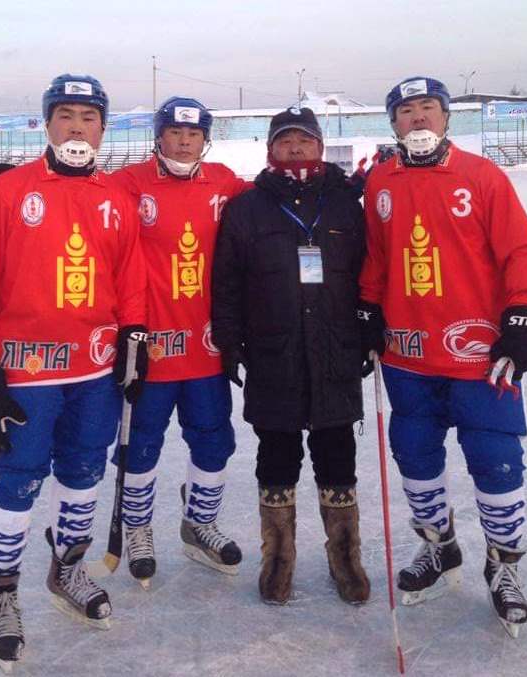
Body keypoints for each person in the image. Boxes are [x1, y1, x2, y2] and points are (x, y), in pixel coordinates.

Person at [0, 73, 148, 670]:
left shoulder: (115, 197)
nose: (76, 127)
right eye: (65, 115)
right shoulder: (11, 191)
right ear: (46, 123)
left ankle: (67, 568)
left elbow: (131, 277)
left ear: (102, 128)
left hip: (93, 367)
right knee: (17, 477)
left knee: (85, 471)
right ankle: (1, 593)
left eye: (88, 117)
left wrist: (135, 336)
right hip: (26, 370)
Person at [358, 75, 527, 637]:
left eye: (428, 109)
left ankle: (503, 564)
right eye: (406, 112)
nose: (418, 120)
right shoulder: (380, 183)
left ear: (446, 118)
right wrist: (367, 308)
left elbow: (522, 250)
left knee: (496, 462)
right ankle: (439, 548)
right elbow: (376, 257)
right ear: (393, 124)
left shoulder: (481, 175)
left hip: (479, 355)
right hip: (408, 354)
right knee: (415, 455)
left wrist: (523, 316)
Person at [211, 107, 370, 605]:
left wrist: (371, 327)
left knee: (337, 455)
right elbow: (227, 282)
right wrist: (231, 340)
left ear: (320, 148)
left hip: (335, 350)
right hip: (272, 353)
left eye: (304, 140)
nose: (295, 149)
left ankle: (346, 559)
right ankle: (278, 561)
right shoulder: (247, 208)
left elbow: (371, 270)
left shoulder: (347, 205)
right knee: (276, 457)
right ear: (269, 150)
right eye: (285, 141)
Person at [110, 97, 248, 586]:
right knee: (141, 444)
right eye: (175, 132)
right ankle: (138, 528)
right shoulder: (128, 183)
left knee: (214, 441)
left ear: (205, 140)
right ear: (159, 137)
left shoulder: (225, 182)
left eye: (193, 134)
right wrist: (3, 182)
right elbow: (73, 197)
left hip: (207, 346)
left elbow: (273, 202)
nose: (184, 142)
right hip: (150, 346)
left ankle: (200, 523)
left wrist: (340, 187)